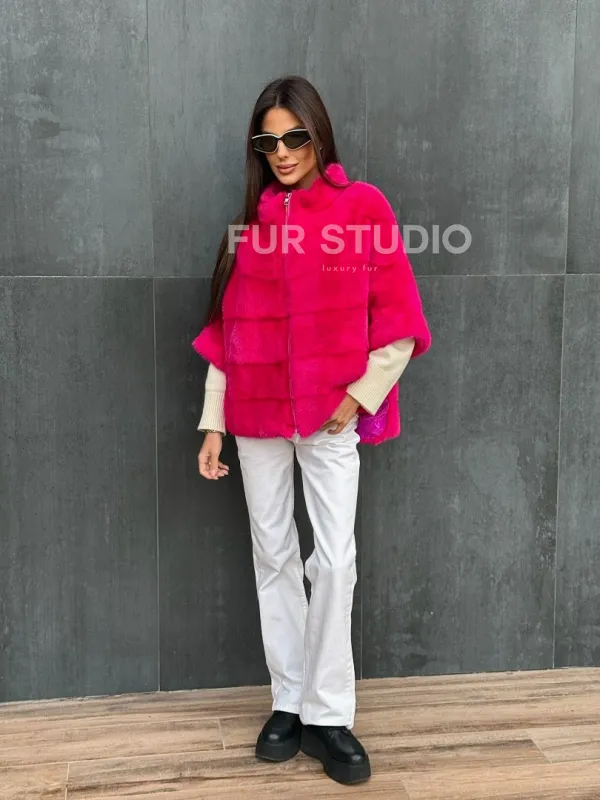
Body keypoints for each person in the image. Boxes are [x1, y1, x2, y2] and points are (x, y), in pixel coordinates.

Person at [192, 75, 431, 786]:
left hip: (330, 419)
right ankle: (289, 702)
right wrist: (213, 423)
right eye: (268, 142)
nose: (283, 152)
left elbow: (399, 320)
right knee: (272, 554)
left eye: (295, 136)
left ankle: (329, 713)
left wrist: (357, 398)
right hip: (256, 417)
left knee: (333, 561)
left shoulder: (363, 208)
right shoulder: (252, 227)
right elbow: (229, 336)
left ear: (318, 134)